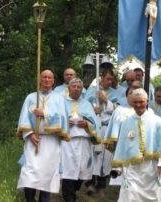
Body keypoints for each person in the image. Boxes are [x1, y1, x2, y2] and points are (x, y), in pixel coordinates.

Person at [16, 69, 70, 202]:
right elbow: (24, 118)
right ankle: (30, 199)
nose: (46, 80)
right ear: (40, 79)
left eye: (49, 78)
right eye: (44, 77)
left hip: (51, 142)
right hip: (33, 141)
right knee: (29, 174)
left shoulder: (59, 99)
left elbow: (62, 119)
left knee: (47, 176)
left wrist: (44, 114)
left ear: (53, 81)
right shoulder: (30, 97)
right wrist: (29, 134)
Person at [111, 88, 161, 202]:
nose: (138, 105)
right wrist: (118, 167)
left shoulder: (157, 121)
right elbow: (122, 146)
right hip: (132, 169)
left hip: (152, 168)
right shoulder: (126, 123)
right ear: (132, 102)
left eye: (141, 102)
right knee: (130, 195)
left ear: (147, 101)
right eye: (136, 102)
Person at [61, 78, 100, 202]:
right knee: (68, 171)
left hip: (84, 142)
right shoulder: (61, 103)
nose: (76, 89)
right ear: (69, 88)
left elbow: (94, 123)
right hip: (68, 142)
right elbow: (56, 121)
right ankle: (69, 198)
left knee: (82, 170)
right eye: (74, 86)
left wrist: (86, 124)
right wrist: (66, 123)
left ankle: (74, 190)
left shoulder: (87, 104)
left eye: (79, 87)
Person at [84, 69, 120, 193]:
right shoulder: (91, 91)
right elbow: (84, 106)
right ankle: (91, 180)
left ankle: (102, 180)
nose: (110, 82)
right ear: (102, 78)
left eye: (112, 79)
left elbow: (119, 110)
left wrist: (106, 101)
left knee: (105, 154)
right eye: (107, 79)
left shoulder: (115, 93)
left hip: (108, 127)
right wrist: (93, 110)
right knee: (95, 153)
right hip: (94, 127)